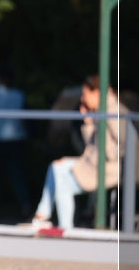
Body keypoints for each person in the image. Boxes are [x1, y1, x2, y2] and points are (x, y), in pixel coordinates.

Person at [32, 75, 128, 230]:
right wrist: (88, 122)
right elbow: (92, 146)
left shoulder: (112, 111)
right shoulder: (102, 110)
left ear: (96, 93)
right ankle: (43, 215)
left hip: (108, 169)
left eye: (85, 94)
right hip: (93, 162)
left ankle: (63, 226)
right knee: (56, 166)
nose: (83, 99)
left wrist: (110, 155)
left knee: (62, 181)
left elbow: (127, 142)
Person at [0, 67, 31, 221]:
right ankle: (26, 207)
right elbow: (29, 121)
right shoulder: (20, 96)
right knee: (18, 176)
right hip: (17, 141)